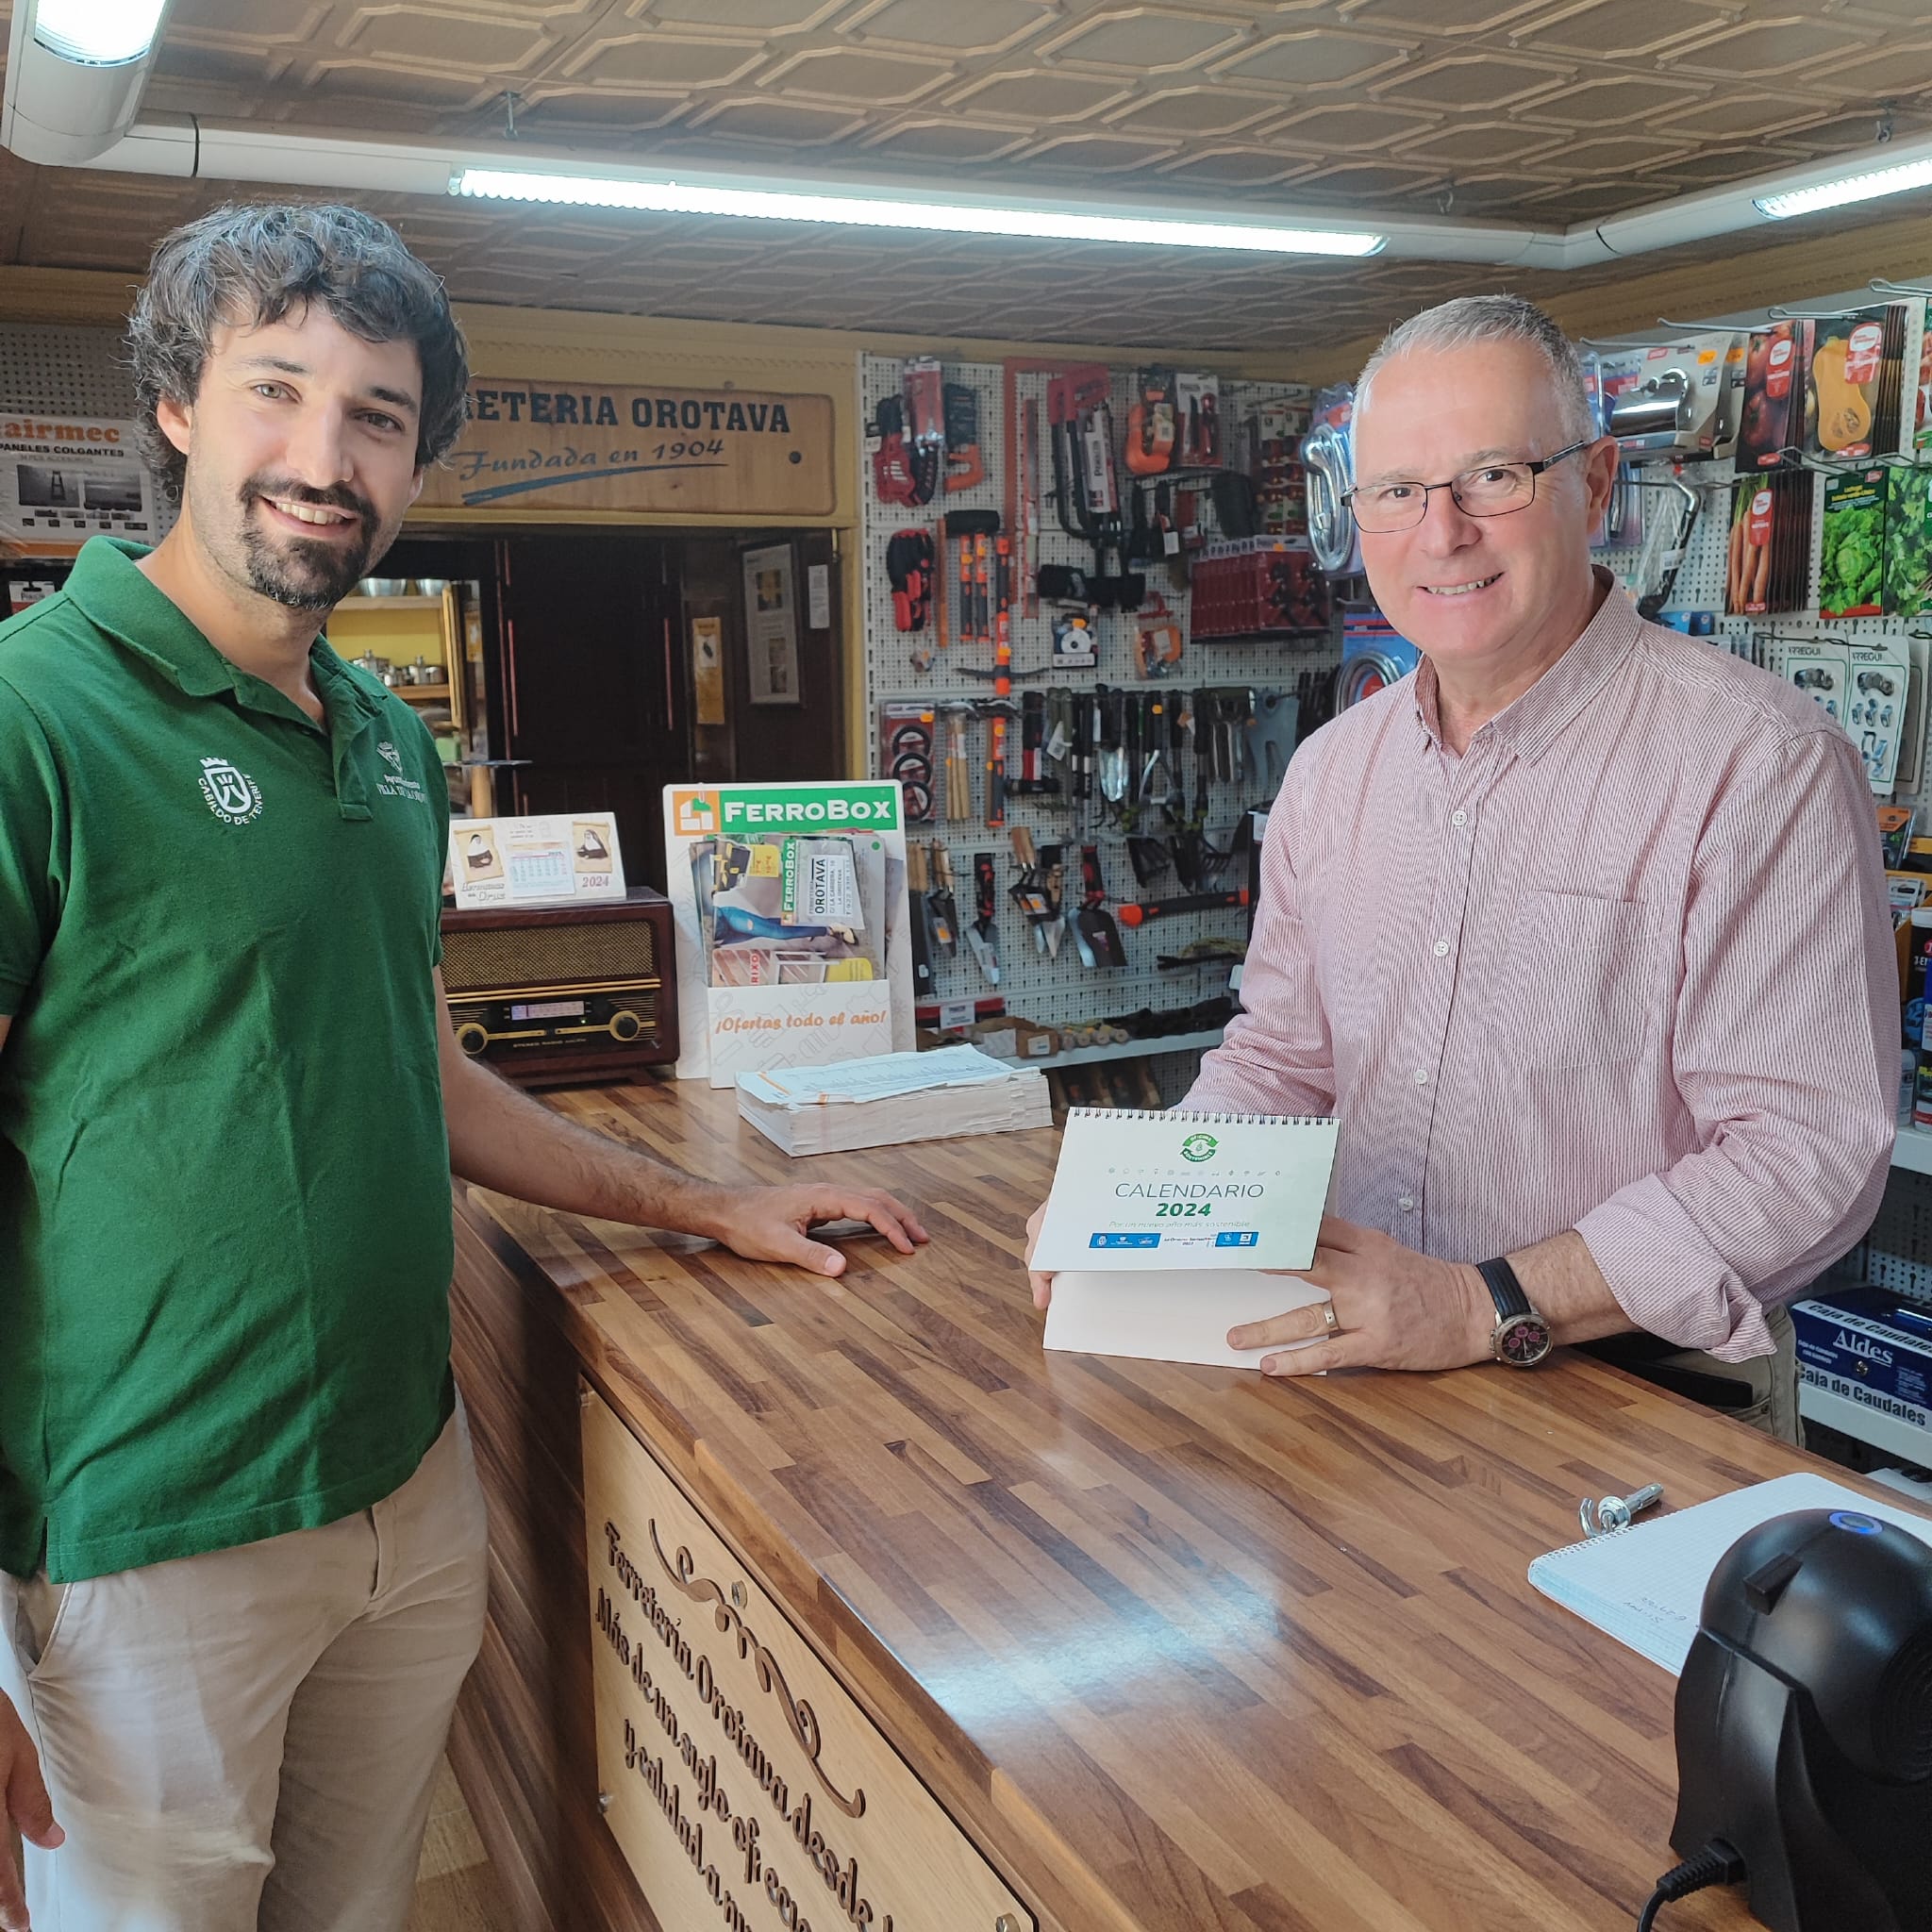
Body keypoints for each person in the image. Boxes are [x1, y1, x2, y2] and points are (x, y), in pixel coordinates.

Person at [0, 203, 927, 1932]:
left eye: (378, 416)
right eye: (276, 390)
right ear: (179, 408)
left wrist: (702, 1206)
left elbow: (420, 1073)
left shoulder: (381, 738)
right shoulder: (34, 719)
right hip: (145, 1545)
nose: (323, 455)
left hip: (404, 1490)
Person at [1028, 292, 1894, 1441]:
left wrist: (1483, 1302)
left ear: (1592, 487)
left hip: (1636, 1405)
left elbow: (1806, 1155)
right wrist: (1133, 1217)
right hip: (1351, 1376)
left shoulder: (1758, 764)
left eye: (1493, 477)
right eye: (1396, 492)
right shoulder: (1334, 771)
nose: (1440, 534)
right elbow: (1283, 1061)